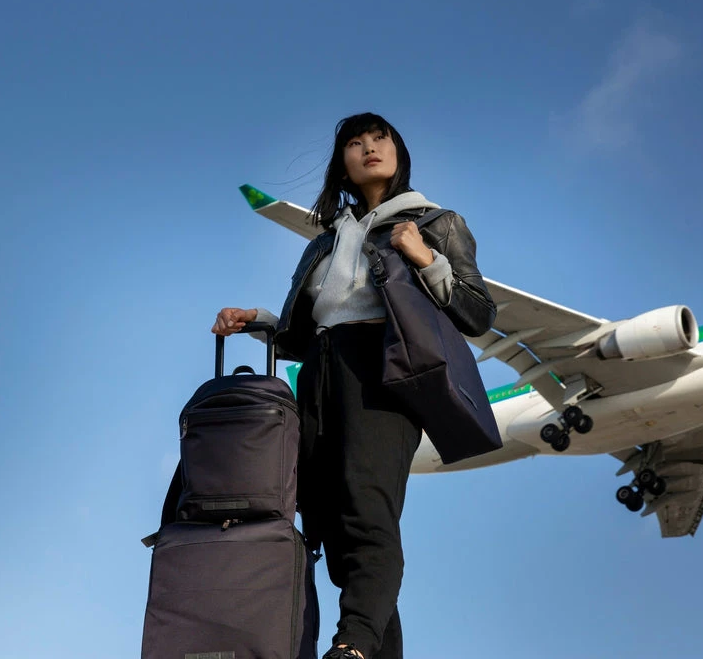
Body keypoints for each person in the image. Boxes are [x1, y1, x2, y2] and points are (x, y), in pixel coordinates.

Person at [212, 113, 496, 659]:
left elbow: (478, 314)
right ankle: (368, 650)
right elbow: (307, 329)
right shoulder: (325, 241)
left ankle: (352, 645)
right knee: (333, 534)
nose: (369, 148)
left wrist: (426, 258)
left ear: (398, 151)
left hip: (383, 370)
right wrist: (257, 320)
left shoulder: (435, 222)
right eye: (356, 143)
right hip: (319, 373)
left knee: (368, 515)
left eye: (379, 139)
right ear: (342, 166)